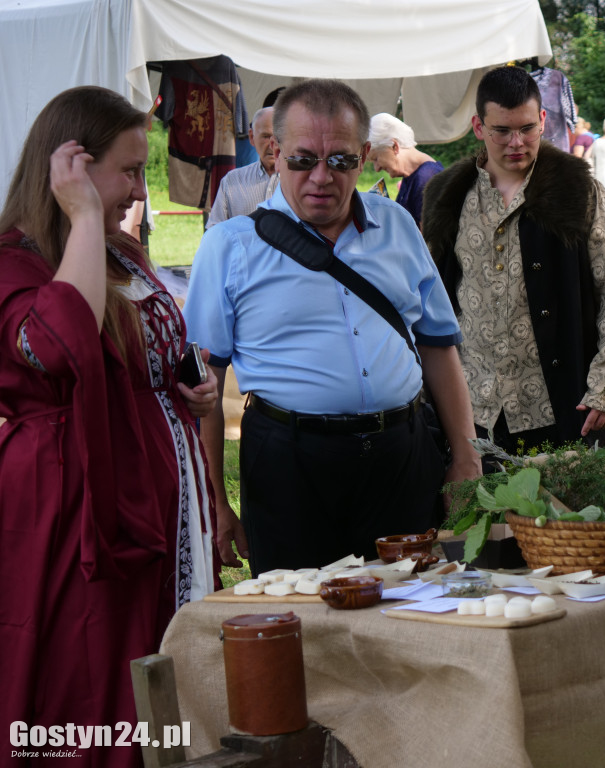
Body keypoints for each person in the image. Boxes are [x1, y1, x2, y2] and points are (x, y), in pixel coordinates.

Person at [0, 86, 219, 768]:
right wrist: (84, 219)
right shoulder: (14, 262)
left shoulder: (127, 253)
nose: (137, 188)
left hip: (164, 493)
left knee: (162, 657)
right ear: (71, 165)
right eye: (125, 171)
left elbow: (158, 353)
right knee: (92, 664)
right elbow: (56, 345)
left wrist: (195, 390)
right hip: (71, 501)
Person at [184, 79, 481, 576]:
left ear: (364, 155)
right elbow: (203, 386)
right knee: (305, 626)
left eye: (340, 160)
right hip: (289, 467)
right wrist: (216, 498)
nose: (321, 177)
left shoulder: (399, 226)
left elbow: (437, 346)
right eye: (303, 160)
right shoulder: (230, 247)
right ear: (275, 153)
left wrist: (466, 455)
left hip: (402, 458)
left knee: (411, 615)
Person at [421, 66, 605, 454]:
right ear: (478, 127)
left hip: (565, 403)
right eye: (502, 130)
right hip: (474, 410)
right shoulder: (447, 197)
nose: (516, 142)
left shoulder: (578, 190)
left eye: (527, 128)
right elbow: (428, 301)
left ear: (543, 120)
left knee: (572, 513)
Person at [206, 107, 278, 229]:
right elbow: (215, 231)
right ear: (251, 137)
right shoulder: (232, 181)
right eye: (266, 136)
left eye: (278, 137)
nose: (272, 145)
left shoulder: (301, 179)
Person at [366, 113, 443, 227]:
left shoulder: (427, 178)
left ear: (394, 146)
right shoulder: (411, 176)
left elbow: (426, 242)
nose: (377, 169)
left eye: (376, 159)